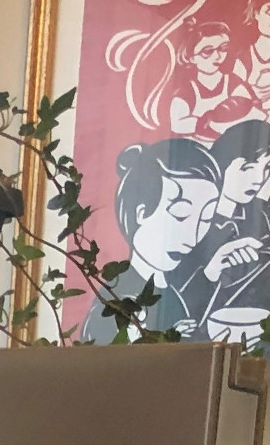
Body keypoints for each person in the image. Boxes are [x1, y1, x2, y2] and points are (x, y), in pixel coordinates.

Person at [80, 137, 222, 341]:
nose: (193, 236)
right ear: (141, 212)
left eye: (206, 217)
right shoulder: (117, 299)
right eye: (181, 214)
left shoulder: (170, 291)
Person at [170, 117, 270, 335]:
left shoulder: (263, 216)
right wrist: (211, 271)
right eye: (248, 167)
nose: (258, 179)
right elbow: (171, 293)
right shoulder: (190, 221)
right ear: (222, 162)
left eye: (266, 168)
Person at [165, 19, 252, 138]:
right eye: (207, 51)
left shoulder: (232, 82)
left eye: (223, 48)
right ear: (191, 57)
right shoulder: (187, 91)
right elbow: (176, 124)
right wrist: (204, 122)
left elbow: (248, 105)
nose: (217, 56)